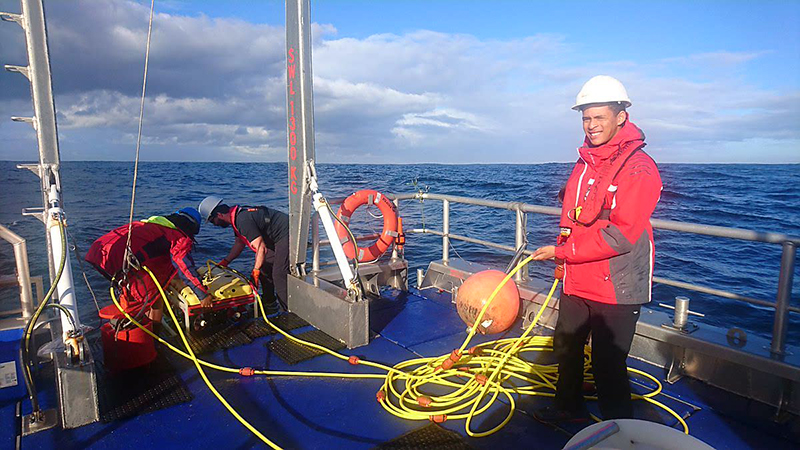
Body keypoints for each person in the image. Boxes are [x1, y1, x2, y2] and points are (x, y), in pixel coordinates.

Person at [532, 75, 662, 421]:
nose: (591, 126)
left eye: (599, 117)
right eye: (586, 118)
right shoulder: (585, 162)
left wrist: (560, 253)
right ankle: (566, 411)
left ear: (621, 117)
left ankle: (619, 434)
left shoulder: (639, 169)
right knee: (566, 348)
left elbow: (620, 235)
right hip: (577, 281)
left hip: (616, 287)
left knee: (608, 365)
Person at [85, 207, 214, 331]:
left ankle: (133, 326)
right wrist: (202, 295)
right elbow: (184, 267)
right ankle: (153, 336)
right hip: (117, 257)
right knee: (155, 296)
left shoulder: (157, 224)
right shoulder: (178, 236)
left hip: (98, 252)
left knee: (131, 293)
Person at [199, 196, 290, 314]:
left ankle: (287, 311)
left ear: (219, 215)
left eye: (212, 221)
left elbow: (261, 248)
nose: (214, 224)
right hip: (276, 237)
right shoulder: (236, 217)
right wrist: (226, 261)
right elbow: (239, 243)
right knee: (264, 268)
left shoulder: (242, 220)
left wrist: (255, 270)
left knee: (279, 273)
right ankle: (270, 304)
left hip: (287, 233)